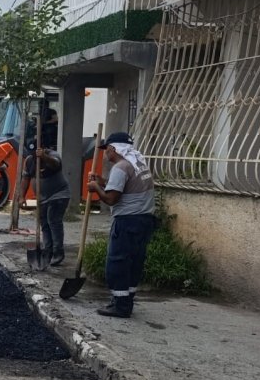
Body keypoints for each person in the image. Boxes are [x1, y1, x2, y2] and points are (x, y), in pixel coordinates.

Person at [87, 131, 157, 318]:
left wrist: (95, 188)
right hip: (144, 220)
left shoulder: (120, 168)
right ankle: (127, 300)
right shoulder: (138, 164)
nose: (105, 154)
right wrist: (102, 181)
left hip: (127, 222)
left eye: (106, 150)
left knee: (117, 262)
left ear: (113, 149)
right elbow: (122, 187)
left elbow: (111, 198)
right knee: (134, 262)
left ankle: (120, 306)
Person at [20, 145, 71, 265]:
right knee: (44, 223)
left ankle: (58, 252)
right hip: (42, 198)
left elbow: (56, 164)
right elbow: (25, 179)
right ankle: (48, 251)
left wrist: (44, 157)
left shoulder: (52, 156)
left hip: (59, 194)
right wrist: (22, 197)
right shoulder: (29, 161)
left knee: (53, 219)